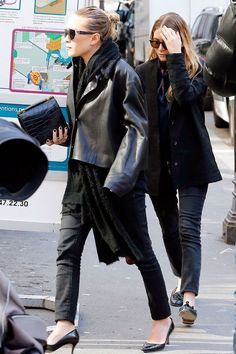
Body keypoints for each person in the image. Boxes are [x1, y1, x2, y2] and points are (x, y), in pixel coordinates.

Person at [46, 7, 174, 353]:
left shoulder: (122, 73)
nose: (67, 39)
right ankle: (64, 323)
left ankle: (162, 320)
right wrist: (65, 136)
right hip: (80, 175)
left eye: (74, 33)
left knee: (142, 254)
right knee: (67, 251)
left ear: (95, 38)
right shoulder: (77, 70)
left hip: (115, 181)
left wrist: (117, 181)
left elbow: (137, 132)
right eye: (67, 32)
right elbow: (88, 124)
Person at [136, 12, 222, 326]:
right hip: (157, 166)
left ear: (179, 40)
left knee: (188, 230)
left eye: (166, 41)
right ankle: (180, 276)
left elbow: (185, 97)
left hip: (193, 164)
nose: (159, 46)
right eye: (155, 41)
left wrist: (175, 56)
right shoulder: (142, 73)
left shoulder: (197, 72)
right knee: (170, 231)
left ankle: (189, 298)